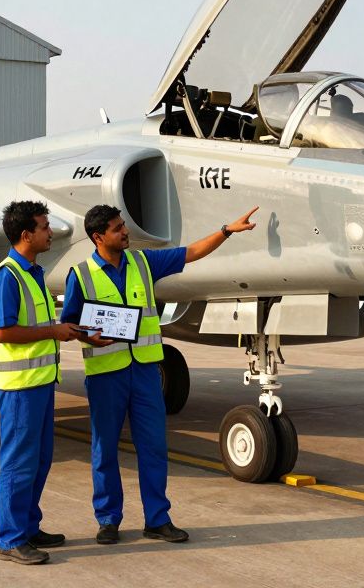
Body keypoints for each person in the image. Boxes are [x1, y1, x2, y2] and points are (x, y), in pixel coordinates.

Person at [62, 204, 259, 545]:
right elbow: (69, 323)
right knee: (104, 450)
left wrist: (226, 231)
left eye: (123, 225)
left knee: (153, 447)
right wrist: (88, 335)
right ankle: (108, 520)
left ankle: (157, 519)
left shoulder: (143, 262)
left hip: (145, 373)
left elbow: (191, 253)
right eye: (117, 228)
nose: (126, 231)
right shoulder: (80, 275)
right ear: (98, 237)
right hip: (106, 375)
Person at [0, 200, 86, 565]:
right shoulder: (7, 276)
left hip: (40, 382)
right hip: (19, 386)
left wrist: (63, 330)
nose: (50, 232)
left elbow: (37, 327)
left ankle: (28, 527)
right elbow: (2, 332)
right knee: (19, 463)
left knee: (40, 460)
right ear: (26, 235)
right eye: (44, 227)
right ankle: (10, 539)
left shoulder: (34, 273)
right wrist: (53, 332)